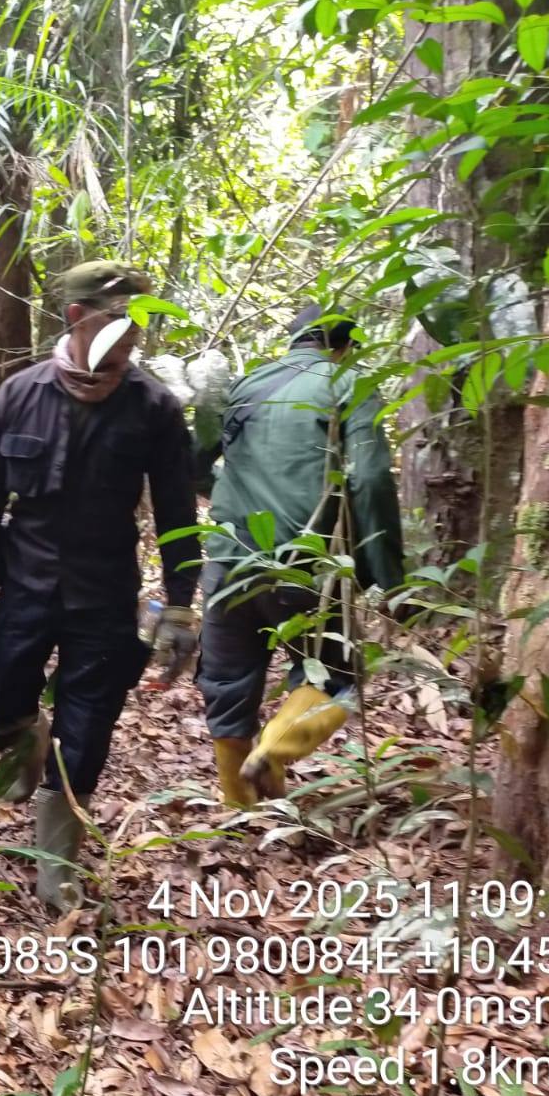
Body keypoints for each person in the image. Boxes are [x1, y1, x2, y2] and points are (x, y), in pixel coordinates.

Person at [0, 261, 201, 912]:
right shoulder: (20, 394)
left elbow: (178, 514)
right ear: (75, 318)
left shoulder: (153, 408)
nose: (130, 339)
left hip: (105, 597)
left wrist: (179, 604)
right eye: (117, 323)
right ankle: (25, 744)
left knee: (86, 736)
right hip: (25, 587)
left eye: (137, 326)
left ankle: (55, 874)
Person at [195, 305, 403, 807]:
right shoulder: (348, 382)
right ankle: (276, 748)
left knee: (227, 687)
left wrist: (231, 499)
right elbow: (370, 478)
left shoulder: (245, 386)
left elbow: (193, 461)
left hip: (227, 558)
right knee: (337, 683)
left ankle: (239, 813)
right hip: (303, 561)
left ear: (293, 342)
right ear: (345, 345)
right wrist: (388, 578)